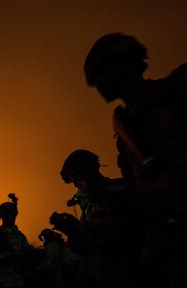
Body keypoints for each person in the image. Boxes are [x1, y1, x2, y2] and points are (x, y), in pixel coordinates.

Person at [84, 33, 187, 288]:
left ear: (121, 62)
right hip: (168, 236)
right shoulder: (125, 128)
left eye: (99, 73)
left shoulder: (176, 90)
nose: (97, 85)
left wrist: (172, 182)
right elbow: (140, 190)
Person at [57, 149, 135, 288]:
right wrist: (72, 232)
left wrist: (78, 228)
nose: (76, 185)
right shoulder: (88, 203)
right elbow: (86, 248)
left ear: (90, 172)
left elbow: (120, 234)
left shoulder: (119, 192)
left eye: (78, 180)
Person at [0, 193, 32, 288]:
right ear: (2, 215)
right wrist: (12, 254)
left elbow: (27, 257)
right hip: (1, 281)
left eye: (13, 213)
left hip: (19, 281)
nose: (12, 216)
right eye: (9, 213)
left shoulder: (20, 236)